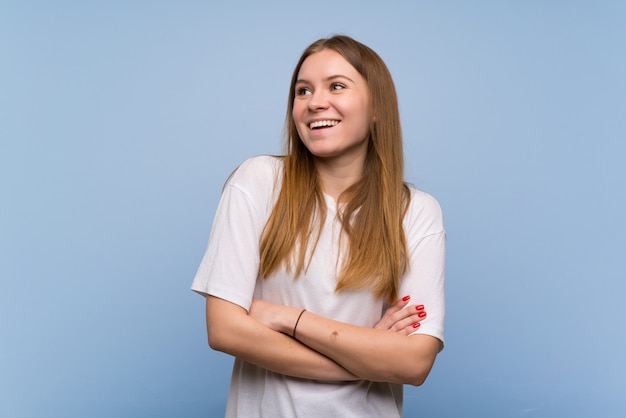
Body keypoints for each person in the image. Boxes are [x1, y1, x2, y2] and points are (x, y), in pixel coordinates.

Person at [191, 35, 445, 417]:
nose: (315, 102)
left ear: (377, 107)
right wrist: (368, 358)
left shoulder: (416, 212)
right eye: (303, 90)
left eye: (337, 86)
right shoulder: (258, 181)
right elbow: (225, 330)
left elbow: (413, 364)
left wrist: (285, 317)